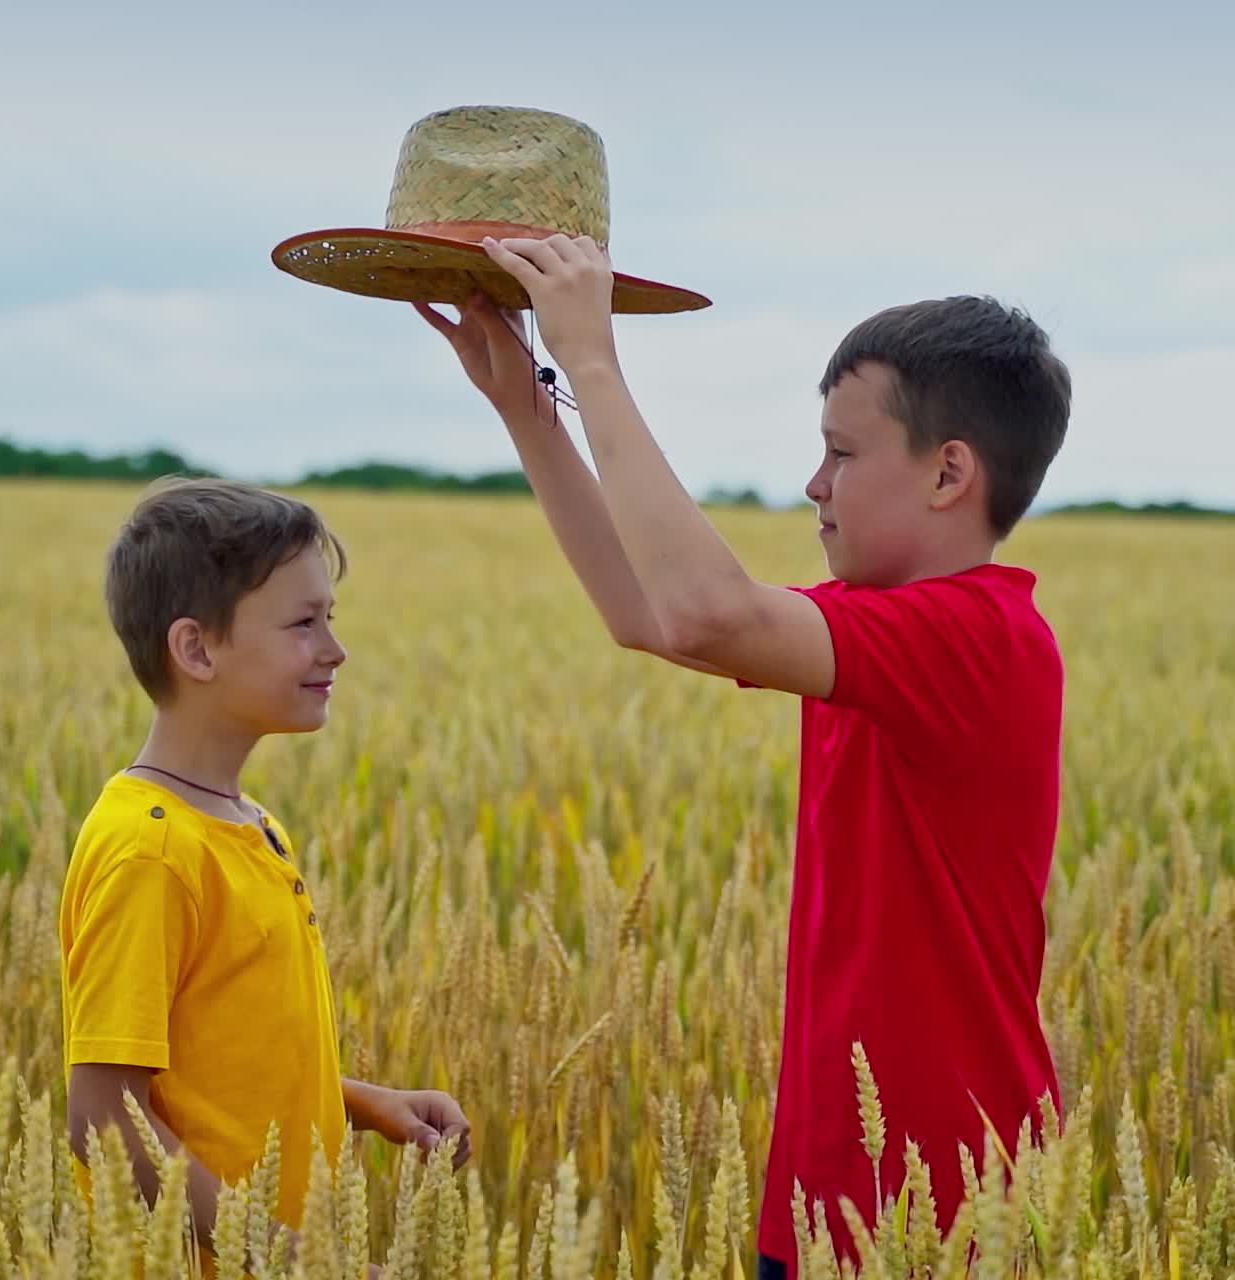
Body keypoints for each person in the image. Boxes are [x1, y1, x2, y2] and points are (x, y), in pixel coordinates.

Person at [417, 238, 1071, 1271]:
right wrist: (525, 411)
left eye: (842, 453)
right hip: (827, 1186)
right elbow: (652, 613)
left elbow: (705, 611)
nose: (812, 483)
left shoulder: (980, 637)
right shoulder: (871, 626)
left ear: (949, 470)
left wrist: (592, 360)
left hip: (939, 1207)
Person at [60, 478, 471, 1275]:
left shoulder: (251, 826)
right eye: (303, 624)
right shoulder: (151, 850)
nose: (335, 649)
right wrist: (291, 1258)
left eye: (331, 619)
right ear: (197, 649)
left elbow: (222, 1059)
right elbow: (104, 1115)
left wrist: (361, 1103)